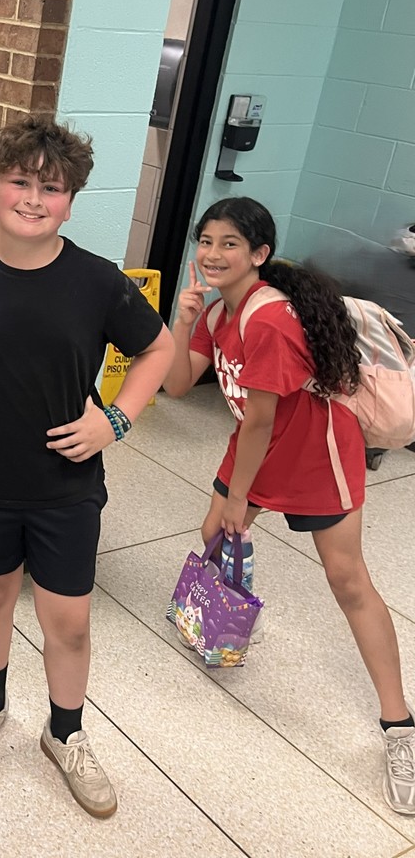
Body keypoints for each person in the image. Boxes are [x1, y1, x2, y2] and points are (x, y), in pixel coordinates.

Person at [0, 115, 175, 818]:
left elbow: (158, 350)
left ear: (71, 202)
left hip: (64, 487)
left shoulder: (97, 281)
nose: (34, 199)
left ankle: (64, 731)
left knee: (68, 620)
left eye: (53, 188)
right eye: (20, 182)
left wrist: (116, 419)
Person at [163, 196, 414, 816]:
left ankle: (401, 727)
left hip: (313, 454)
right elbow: (175, 385)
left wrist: (239, 498)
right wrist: (183, 319)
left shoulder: (269, 319)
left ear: (260, 254)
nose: (213, 254)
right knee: (213, 533)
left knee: (348, 579)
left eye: (229, 244)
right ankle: (222, 623)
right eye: (206, 241)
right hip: (258, 448)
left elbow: (262, 420)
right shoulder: (218, 310)